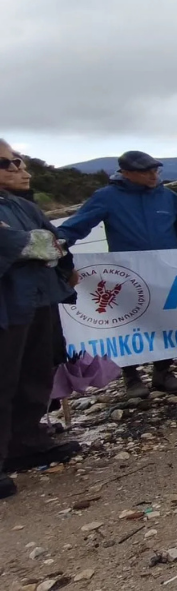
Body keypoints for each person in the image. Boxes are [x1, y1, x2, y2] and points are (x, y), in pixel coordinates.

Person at [57, 151, 177, 397]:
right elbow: (77, 225)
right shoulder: (107, 197)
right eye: (147, 172)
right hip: (127, 274)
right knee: (126, 323)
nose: (154, 176)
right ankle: (131, 377)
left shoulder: (169, 197)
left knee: (168, 320)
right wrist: (56, 245)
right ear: (126, 173)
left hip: (168, 271)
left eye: (156, 171)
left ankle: (163, 372)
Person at [0, 141, 80, 498]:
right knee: (3, 379)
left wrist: (59, 259)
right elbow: (23, 244)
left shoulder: (20, 205)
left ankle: (25, 442)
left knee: (35, 371)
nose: (19, 169)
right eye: (8, 163)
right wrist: (43, 246)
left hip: (38, 298)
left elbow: (55, 240)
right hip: (8, 304)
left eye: (18, 161)